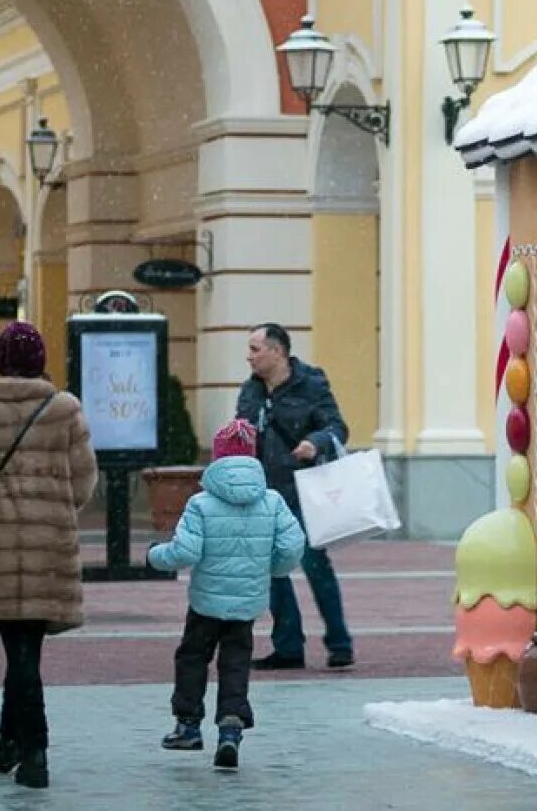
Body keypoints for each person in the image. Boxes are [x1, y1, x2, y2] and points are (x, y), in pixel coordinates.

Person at [0, 322, 96, 790]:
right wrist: (53, 508)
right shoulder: (64, 408)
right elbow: (84, 480)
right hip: (49, 545)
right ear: (39, 359)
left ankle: (31, 750)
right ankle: (16, 744)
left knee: (19, 651)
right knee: (27, 651)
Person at [149, 420, 306, 769]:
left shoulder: (201, 503)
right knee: (235, 662)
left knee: (192, 657)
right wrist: (275, 568)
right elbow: (293, 544)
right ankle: (231, 726)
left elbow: (186, 552)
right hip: (247, 601)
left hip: (206, 602)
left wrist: (155, 555)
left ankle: (188, 724)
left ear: (218, 458)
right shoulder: (272, 500)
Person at [234, 323, 355, 670]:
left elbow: (336, 427)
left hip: (304, 490)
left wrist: (314, 443)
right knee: (272, 568)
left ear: (278, 351)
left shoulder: (311, 384)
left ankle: (339, 643)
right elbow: (241, 433)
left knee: (314, 563)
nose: (249, 356)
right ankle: (288, 647)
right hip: (265, 492)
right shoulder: (251, 391)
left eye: (255, 349)